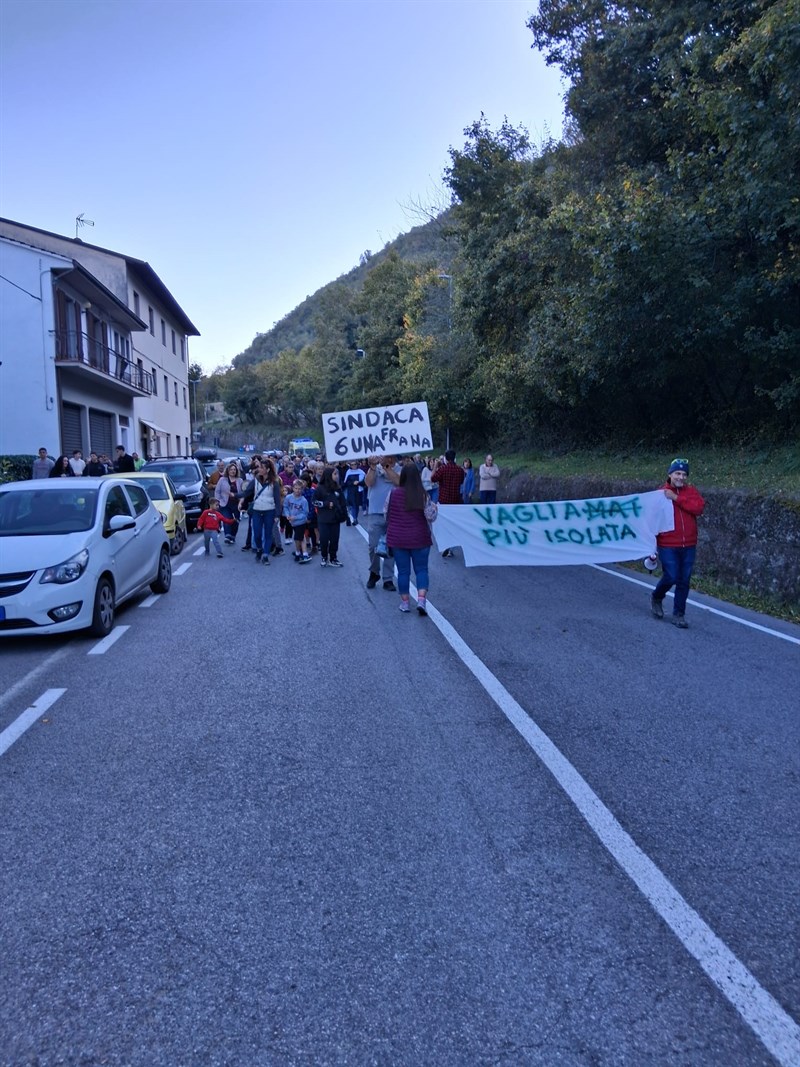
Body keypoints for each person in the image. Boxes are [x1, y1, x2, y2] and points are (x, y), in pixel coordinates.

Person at [650, 459, 706, 628]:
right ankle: (657, 596)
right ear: (670, 474)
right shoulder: (660, 494)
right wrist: (651, 547)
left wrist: (676, 498)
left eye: (684, 474)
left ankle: (679, 614)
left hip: (688, 544)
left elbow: (698, 509)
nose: (681, 477)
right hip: (667, 544)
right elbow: (652, 520)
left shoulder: (691, 492)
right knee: (671, 576)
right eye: (677, 473)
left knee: (684, 580)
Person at [385, 463, 432, 615]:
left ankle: (405, 603)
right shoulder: (423, 494)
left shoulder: (393, 493)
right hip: (420, 538)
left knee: (403, 572)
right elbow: (430, 516)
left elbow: (386, 514)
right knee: (421, 570)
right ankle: (421, 600)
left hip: (398, 539)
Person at [364, 454, 401, 589]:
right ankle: (374, 572)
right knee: (373, 545)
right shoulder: (374, 468)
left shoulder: (398, 469)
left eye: (390, 457)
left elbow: (398, 482)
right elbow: (368, 483)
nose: (388, 459)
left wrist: (387, 467)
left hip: (394, 513)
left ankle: (388, 578)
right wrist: (373, 467)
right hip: (375, 513)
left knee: (391, 546)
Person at [313, 465, 348, 567]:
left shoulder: (337, 488)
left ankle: (333, 558)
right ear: (329, 475)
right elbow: (314, 501)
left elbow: (343, 503)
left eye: (337, 474)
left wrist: (345, 516)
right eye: (334, 474)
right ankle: (324, 557)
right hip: (323, 519)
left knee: (334, 539)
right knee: (324, 539)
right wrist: (325, 504)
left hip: (335, 519)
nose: (336, 476)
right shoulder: (320, 488)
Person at [432, 449, 464, 557]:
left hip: (444, 501)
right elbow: (461, 482)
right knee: (453, 526)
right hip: (455, 501)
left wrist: (435, 465)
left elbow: (432, 478)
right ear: (455, 458)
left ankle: (445, 545)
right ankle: (450, 547)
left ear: (445, 458)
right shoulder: (460, 470)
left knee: (443, 525)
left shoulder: (442, 469)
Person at [249, 459, 281, 564]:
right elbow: (247, 492)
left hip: (269, 510)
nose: (259, 469)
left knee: (268, 534)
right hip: (257, 510)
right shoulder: (256, 480)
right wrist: (237, 496)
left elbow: (277, 500)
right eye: (259, 467)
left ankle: (266, 555)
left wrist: (277, 514)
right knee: (257, 534)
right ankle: (259, 549)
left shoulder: (274, 483)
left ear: (267, 470)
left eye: (261, 467)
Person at [283, 478, 312, 563]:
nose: (297, 490)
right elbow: (286, 506)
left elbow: (305, 513)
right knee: (301, 537)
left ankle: (299, 552)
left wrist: (295, 517)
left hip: (300, 522)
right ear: (293, 488)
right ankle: (303, 552)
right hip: (291, 521)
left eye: (299, 489)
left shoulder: (303, 500)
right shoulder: (288, 497)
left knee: (297, 538)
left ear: (302, 489)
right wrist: (288, 515)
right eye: (296, 488)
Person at [216, 462, 243, 545]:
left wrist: (241, 501)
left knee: (236, 521)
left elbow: (243, 493)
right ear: (228, 471)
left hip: (236, 504)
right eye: (231, 469)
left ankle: (233, 536)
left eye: (234, 470)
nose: (233, 471)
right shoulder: (222, 480)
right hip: (225, 503)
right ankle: (227, 536)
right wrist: (218, 501)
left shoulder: (240, 480)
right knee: (227, 519)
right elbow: (217, 491)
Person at [342, 460, 365, 526]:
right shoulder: (348, 472)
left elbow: (365, 482)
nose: (353, 466)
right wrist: (352, 483)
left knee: (356, 506)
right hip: (351, 491)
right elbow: (346, 482)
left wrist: (359, 482)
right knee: (350, 505)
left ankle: (354, 518)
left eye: (355, 464)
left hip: (358, 491)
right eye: (352, 465)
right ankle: (351, 518)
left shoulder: (361, 472)